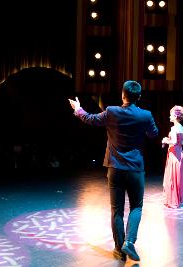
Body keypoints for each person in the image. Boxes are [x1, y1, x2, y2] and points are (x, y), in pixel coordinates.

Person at [68, 80, 158, 262]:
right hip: (135, 169)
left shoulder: (112, 111)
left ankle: (120, 249)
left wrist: (78, 109)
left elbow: (90, 119)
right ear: (139, 97)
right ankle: (130, 242)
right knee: (136, 207)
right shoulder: (145, 115)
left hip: (115, 168)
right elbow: (153, 133)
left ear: (122, 95)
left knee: (117, 210)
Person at [161, 105, 183, 208]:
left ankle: (172, 201)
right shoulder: (181, 127)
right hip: (179, 153)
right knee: (177, 177)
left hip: (174, 155)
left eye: (171, 115)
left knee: (172, 177)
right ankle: (176, 199)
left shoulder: (174, 128)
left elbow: (174, 141)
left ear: (176, 116)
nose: (169, 116)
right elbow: (182, 142)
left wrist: (165, 140)